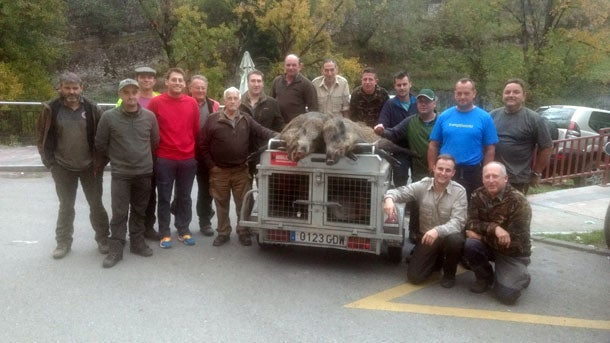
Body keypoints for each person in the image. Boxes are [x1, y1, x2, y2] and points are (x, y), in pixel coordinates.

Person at [36, 72, 110, 259]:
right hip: (62, 167)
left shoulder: (93, 108)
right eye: (67, 87)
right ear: (60, 88)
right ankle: (63, 243)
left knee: (96, 204)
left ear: (81, 88)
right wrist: (50, 163)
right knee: (66, 206)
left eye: (75, 88)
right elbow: (41, 137)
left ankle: (103, 239)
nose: (71, 91)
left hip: (90, 167)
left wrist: (100, 163)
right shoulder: (50, 109)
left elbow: (103, 138)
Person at [198, 87, 278, 247]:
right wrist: (211, 166)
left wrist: (281, 135)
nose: (233, 101)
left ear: (240, 101)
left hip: (241, 170)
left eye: (235, 98)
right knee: (221, 204)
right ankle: (223, 233)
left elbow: (262, 131)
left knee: (243, 204)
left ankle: (243, 232)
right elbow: (202, 145)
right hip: (219, 171)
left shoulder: (246, 118)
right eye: (230, 98)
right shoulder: (213, 119)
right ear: (224, 101)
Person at [95, 79, 159, 268]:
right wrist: (118, 158)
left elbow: (154, 142)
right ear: (120, 95)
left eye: (134, 92)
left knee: (140, 211)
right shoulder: (108, 117)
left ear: (139, 94)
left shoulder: (149, 117)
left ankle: (137, 243)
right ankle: (116, 248)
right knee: (119, 212)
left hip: (144, 172)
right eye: (126, 93)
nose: (131, 96)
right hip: (121, 173)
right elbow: (100, 143)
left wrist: (140, 157)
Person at [383, 154, 467, 288]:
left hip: (447, 237)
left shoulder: (459, 192)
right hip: (428, 239)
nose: (443, 173)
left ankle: (449, 274)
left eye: (448, 170)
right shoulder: (423, 185)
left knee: (456, 240)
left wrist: (437, 230)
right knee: (414, 277)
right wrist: (389, 200)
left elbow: (458, 222)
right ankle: (436, 260)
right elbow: (399, 192)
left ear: (453, 173)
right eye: (440, 169)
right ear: (433, 168)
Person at [375, 88, 439, 241]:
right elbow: (394, 133)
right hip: (419, 171)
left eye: (427, 101)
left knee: (437, 206)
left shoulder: (442, 121)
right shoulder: (411, 121)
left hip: (439, 171)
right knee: (418, 204)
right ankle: (415, 237)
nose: (423, 104)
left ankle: (436, 240)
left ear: (434, 103)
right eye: (420, 101)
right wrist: (382, 131)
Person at [464, 162, 532, 305]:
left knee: (507, 297)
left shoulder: (519, 201)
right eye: (487, 176)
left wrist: (481, 236)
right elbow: (470, 223)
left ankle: (522, 274)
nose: (491, 180)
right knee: (471, 244)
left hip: (512, 253)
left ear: (505, 178)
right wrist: (495, 228)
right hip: (492, 246)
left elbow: (513, 242)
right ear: (482, 179)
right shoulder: (477, 194)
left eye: (495, 176)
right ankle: (485, 278)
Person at [147, 67, 200, 249]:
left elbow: (194, 130)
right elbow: (151, 131)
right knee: (164, 196)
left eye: (181, 80)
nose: (177, 83)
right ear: (166, 82)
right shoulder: (156, 103)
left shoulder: (192, 103)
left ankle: (183, 229)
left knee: (184, 197)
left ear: (185, 84)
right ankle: (164, 232)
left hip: (187, 158)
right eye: (174, 80)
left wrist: (189, 150)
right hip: (165, 158)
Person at [427, 78, 498, 200]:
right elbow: (433, 145)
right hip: (446, 171)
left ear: (474, 93)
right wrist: (432, 168)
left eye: (466, 93)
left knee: (471, 207)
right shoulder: (444, 116)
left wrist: (486, 173)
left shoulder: (485, 117)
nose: (462, 97)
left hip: (472, 172)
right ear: (455, 94)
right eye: (459, 93)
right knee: (443, 205)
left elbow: (490, 149)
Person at [490, 78, 553, 194]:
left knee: (514, 211)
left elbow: (547, 147)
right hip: (493, 176)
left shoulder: (534, 119)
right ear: (502, 95)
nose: (511, 95)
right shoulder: (492, 116)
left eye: (516, 92)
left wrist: (536, 172)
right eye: (507, 92)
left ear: (524, 96)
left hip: (517, 179)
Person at [239, 70, 284, 179]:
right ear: (248, 82)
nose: (256, 84)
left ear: (263, 83)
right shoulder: (238, 102)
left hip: (264, 152)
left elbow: (279, 126)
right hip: (244, 153)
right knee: (245, 191)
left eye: (259, 81)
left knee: (265, 189)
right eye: (253, 81)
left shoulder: (272, 103)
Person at [189, 74, 220, 237]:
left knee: (205, 190)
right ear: (190, 88)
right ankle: (181, 219)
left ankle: (204, 221)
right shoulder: (184, 102)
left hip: (205, 154)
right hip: (186, 152)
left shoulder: (214, 105)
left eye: (203, 88)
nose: (200, 90)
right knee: (182, 191)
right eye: (197, 87)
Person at [270, 54, 318, 123]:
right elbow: (270, 102)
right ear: (284, 66)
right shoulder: (277, 81)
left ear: (300, 66)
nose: (291, 68)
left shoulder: (307, 84)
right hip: (277, 125)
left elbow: (313, 109)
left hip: (296, 128)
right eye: (288, 65)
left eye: (294, 65)